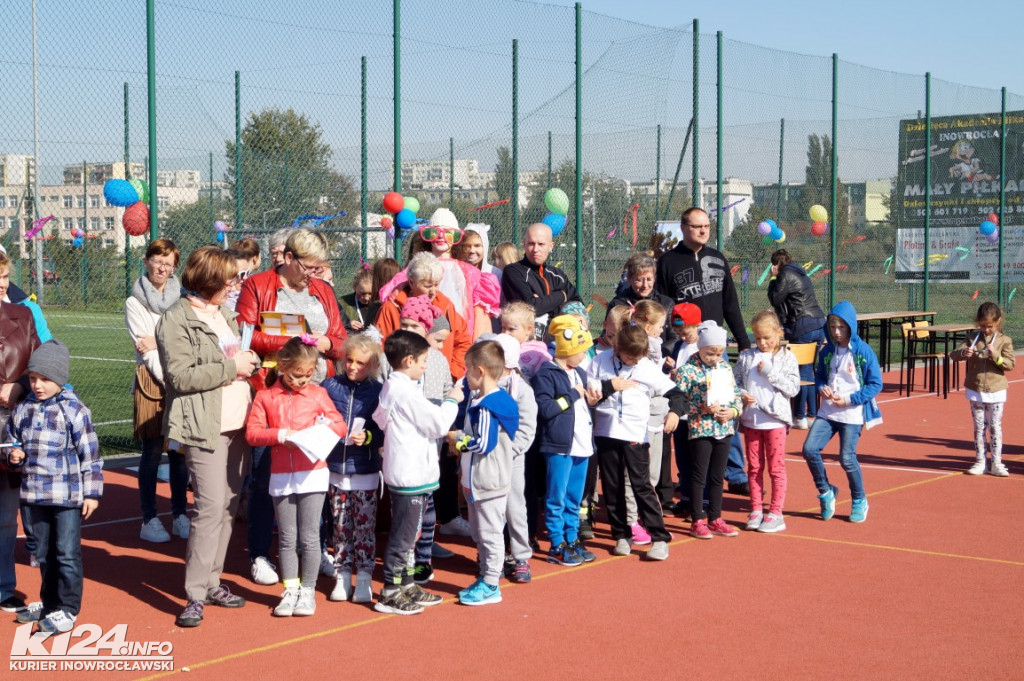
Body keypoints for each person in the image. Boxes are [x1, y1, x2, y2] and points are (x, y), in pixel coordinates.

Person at [235, 229, 347, 585]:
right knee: (267, 473)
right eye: (309, 267)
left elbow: (341, 341)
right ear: (289, 258)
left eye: (319, 268)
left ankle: (315, 549)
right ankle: (259, 554)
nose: (314, 275)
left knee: (316, 474)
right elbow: (247, 333)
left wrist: (328, 342)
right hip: (273, 390)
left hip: (317, 391)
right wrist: (297, 340)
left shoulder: (324, 291)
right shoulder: (259, 285)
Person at [157, 246, 261, 628]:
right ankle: (195, 594)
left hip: (239, 423)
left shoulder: (226, 314)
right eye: (230, 278)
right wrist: (233, 366)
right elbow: (181, 377)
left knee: (229, 507)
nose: (236, 284)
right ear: (210, 280)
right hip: (204, 425)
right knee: (209, 507)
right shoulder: (176, 319)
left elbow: (235, 358)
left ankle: (214, 581)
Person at [246, 336, 348, 618]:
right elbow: (253, 433)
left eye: (308, 375)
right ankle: (290, 590)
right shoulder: (266, 397)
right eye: (296, 375)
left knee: (310, 537)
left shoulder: (317, 394)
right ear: (281, 366)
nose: (303, 381)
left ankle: (308, 591)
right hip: (281, 475)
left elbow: (339, 425)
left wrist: (325, 425)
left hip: (313, 473)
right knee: (287, 539)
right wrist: (281, 435)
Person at [4, 340, 101, 636]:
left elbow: (91, 455)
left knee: (67, 554)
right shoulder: (23, 410)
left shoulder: (74, 410)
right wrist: (12, 455)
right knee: (43, 554)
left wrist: (92, 493)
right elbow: (11, 441)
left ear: (59, 378)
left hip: (67, 497)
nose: (37, 385)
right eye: (33, 378)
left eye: (45, 379)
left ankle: (68, 609)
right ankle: (49, 603)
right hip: (33, 496)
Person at [655, 207, 750, 495]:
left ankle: (734, 473)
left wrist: (743, 342)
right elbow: (663, 308)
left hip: (714, 348)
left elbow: (730, 304)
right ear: (683, 228)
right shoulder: (668, 262)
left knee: (722, 408)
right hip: (684, 346)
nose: (703, 231)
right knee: (689, 413)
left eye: (707, 226)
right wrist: (667, 347)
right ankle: (691, 483)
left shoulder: (718, 258)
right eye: (697, 226)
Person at [372, 331, 463, 615]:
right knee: (403, 537)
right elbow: (437, 425)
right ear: (409, 360)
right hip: (409, 475)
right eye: (424, 360)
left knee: (411, 536)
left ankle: (407, 585)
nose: (426, 364)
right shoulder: (403, 391)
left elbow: (381, 417)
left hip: (415, 473)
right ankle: (389, 591)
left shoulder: (396, 387)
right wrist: (452, 400)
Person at [589, 320, 685, 561]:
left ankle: (660, 537)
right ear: (616, 346)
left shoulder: (646, 367)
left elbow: (676, 393)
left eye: (637, 357)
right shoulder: (599, 361)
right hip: (606, 432)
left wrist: (674, 411)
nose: (633, 361)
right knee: (612, 487)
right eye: (628, 357)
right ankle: (621, 535)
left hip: (635, 435)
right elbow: (589, 395)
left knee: (641, 485)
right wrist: (611, 386)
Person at [126, 239, 189, 544]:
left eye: (169, 263)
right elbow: (146, 349)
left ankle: (179, 515)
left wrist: (158, 340)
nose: (163, 268)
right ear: (147, 261)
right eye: (158, 261)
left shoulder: (183, 297)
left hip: (180, 378)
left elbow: (186, 339)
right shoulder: (134, 301)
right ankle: (148, 518)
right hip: (154, 380)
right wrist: (172, 377)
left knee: (178, 452)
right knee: (152, 451)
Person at [801, 301, 883, 524]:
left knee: (847, 458)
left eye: (842, 327)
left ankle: (859, 499)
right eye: (833, 327)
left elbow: (876, 384)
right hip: (827, 413)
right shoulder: (827, 350)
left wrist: (849, 399)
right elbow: (819, 377)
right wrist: (821, 388)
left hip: (852, 414)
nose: (837, 332)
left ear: (851, 326)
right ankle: (826, 491)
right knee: (809, 449)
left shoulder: (864, 352)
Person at [452, 341, 519, 606]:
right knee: (479, 532)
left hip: (489, 481)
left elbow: (483, 443)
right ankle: (486, 577)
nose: (465, 376)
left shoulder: (490, 405)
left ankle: (492, 583)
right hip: (476, 480)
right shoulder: (483, 400)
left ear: (480, 371)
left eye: (467, 370)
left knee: (490, 533)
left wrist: (457, 440)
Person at [531, 315, 600, 567]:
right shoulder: (547, 374)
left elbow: (583, 406)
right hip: (560, 448)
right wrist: (572, 395)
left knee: (574, 497)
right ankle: (556, 543)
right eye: (581, 350)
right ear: (567, 349)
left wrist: (591, 401)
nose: (584, 355)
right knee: (556, 497)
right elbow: (546, 409)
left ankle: (572, 539)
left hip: (582, 446)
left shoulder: (580, 372)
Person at [322, 335, 384, 604]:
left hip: (365, 469)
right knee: (340, 527)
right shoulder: (329, 386)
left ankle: (365, 579)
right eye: (349, 360)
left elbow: (385, 430)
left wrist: (368, 437)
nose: (353, 366)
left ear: (372, 365)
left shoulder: (380, 390)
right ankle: (342, 577)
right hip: (335, 468)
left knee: (365, 528)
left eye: (361, 362)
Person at [0, 249, 42, 614]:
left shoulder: (23, 315)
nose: (2, 285)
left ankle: (2, 587)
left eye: (3, 277)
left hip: (10, 426)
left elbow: (42, 362)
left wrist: (22, 387)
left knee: (4, 514)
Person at [674, 321, 743, 540]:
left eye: (719, 352)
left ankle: (715, 517)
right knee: (699, 475)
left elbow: (735, 394)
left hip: (723, 427)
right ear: (700, 348)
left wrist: (733, 411)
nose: (715, 357)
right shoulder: (687, 370)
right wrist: (700, 407)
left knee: (717, 476)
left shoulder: (724, 367)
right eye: (710, 352)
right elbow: (678, 400)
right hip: (700, 428)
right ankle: (697, 519)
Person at [732, 310, 800, 533]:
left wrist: (771, 373)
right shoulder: (746, 357)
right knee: (754, 467)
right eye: (758, 338)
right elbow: (735, 382)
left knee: (776, 467)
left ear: (778, 334)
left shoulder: (786, 357)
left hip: (774, 422)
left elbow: (793, 388)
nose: (762, 343)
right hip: (751, 421)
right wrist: (741, 393)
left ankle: (776, 513)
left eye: (767, 338)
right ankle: (756, 509)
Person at [386, 209, 500, 339]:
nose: (441, 237)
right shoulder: (415, 268)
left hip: (460, 339)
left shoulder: (472, 274)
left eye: (449, 233)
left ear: (457, 237)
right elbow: (393, 299)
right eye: (434, 232)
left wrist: (477, 348)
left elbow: (481, 319)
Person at [375, 252, 472, 380]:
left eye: (436, 284)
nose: (433, 291)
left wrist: (451, 373)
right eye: (427, 286)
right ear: (411, 282)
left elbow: (463, 342)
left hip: (440, 381)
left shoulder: (446, 305)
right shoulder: (391, 308)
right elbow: (381, 349)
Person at [488, 334, 537, 584]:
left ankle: (520, 557)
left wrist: (508, 451)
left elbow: (527, 429)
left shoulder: (522, 390)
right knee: (488, 511)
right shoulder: (483, 385)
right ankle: (492, 558)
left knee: (514, 508)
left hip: (512, 460)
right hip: (486, 461)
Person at [949, 302, 1015, 476]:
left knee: (995, 427)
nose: (986, 330)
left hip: (997, 390)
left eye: (990, 326)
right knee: (979, 426)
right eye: (983, 326)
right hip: (976, 389)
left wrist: (997, 357)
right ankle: (980, 461)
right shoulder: (972, 338)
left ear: (998, 322)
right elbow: (953, 355)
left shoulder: (1004, 340)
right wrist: (964, 353)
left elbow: (1010, 364)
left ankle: (997, 462)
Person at [767, 249, 827, 429]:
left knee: (801, 372)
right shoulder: (800, 272)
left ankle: (800, 416)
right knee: (808, 371)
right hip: (818, 323)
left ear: (776, 264)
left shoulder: (785, 274)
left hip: (803, 325)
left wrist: (772, 278)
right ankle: (811, 415)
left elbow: (775, 298)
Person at [501, 222, 583, 340]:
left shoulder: (558, 275)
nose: (535, 249)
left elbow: (578, 305)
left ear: (550, 246)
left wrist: (542, 302)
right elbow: (531, 307)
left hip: (560, 343)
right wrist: (560, 296)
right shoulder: (513, 271)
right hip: (527, 346)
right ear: (524, 244)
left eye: (541, 244)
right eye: (531, 244)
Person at [666, 302, 702, 518]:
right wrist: (670, 369)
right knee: (682, 458)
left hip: (698, 411)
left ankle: (700, 502)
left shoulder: (704, 346)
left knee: (697, 459)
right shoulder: (679, 346)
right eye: (678, 331)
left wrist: (682, 373)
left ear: (697, 325)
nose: (682, 335)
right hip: (681, 411)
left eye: (685, 331)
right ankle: (687, 498)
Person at [610, 253, 675, 350]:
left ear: (654, 278)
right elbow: (611, 335)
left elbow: (675, 336)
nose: (645, 285)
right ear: (629, 279)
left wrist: (662, 353)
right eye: (639, 280)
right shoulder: (618, 304)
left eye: (649, 279)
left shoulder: (666, 303)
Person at [338, 267, 377, 334]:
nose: (366, 298)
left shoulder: (380, 304)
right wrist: (347, 324)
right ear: (354, 287)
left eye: (370, 293)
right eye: (362, 293)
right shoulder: (343, 303)